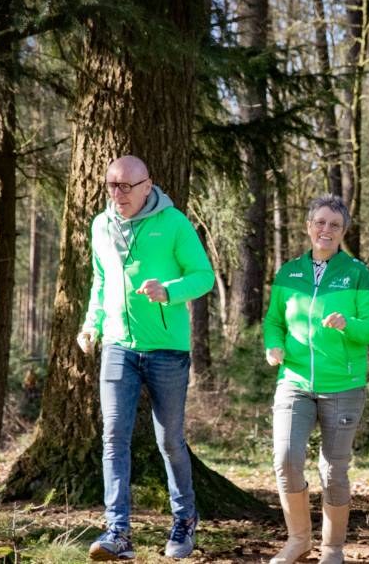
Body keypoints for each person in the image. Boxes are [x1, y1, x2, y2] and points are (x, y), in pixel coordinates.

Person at [77, 155, 214, 560]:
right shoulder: (100, 225)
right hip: (119, 346)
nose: (118, 194)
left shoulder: (173, 223)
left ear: (147, 185)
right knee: (114, 437)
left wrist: (169, 290)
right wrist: (91, 325)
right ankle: (117, 532)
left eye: (126, 186)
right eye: (112, 186)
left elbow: (203, 275)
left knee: (169, 440)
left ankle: (184, 520)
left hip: (167, 350)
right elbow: (100, 281)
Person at [264, 195, 369, 564]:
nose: (326, 230)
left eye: (334, 224)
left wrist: (349, 324)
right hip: (295, 381)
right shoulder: (289, 273)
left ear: (343, 231)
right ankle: (299, 540)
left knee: (334, 471)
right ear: (308, 226)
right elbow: (274, 320)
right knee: (286, 459)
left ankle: (333, 549)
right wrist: (274, 345)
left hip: (343, 387)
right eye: (320, 222)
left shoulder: (359, 274)